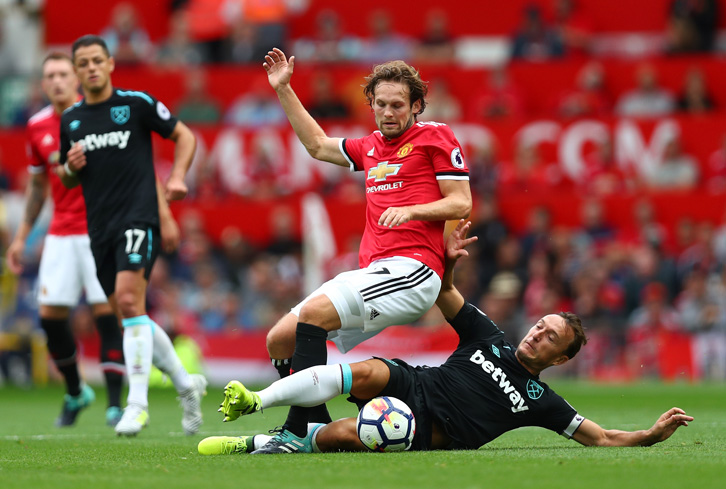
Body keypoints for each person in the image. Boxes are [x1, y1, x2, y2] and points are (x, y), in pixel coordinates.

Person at [199, 221, 693, 455]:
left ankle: (283, 441)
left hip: (436, 429)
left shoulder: (540, 399)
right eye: (540, 325)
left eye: (549, 339)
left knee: (342, 436)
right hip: (416, 384)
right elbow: (446, 294)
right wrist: (448, 261)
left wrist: (649, 436)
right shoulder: (490, 337)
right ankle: (260, 403)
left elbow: (601, 437)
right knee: (365, 369)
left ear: (560, 359)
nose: (537, 335)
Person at [255, 47, 472, 453]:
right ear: (370, 103)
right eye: (381, 104)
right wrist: (283, 89)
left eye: (397, 105)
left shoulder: (435, 136)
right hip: (376, 271)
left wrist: (411, 210)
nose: (388, 113)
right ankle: (317, 425)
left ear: (417, 106)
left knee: (315, 315)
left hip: (414, 270)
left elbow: (461, 202)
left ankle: (295, 430)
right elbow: (318, 146)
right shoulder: (370, 146)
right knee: (280, 340)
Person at [58, 35, 206, 437]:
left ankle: (136, 404)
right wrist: (70, 167)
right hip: (100, 228)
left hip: (139, 218)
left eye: (96, 60)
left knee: (127, 300)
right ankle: (186, 385)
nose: (90, 68)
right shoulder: (71, 120)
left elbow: (184, 136)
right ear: (77, 70)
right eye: (83, 62)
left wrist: (176, 178)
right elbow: (64, 176)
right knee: (131, 313)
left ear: (109, 64)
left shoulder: (135, 105)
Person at [5, 52, 125, 428]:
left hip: (100, 230)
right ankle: (76, 391)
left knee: (107, 315)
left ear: (75, 78)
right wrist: (21, 236)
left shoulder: (95, 115)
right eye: (49, 76)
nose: (56, 81)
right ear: (43, 83)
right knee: (51, 318)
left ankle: (115, 404)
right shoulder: (37, 124)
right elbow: (39, 183)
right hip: (59, 232)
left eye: (62, 73)